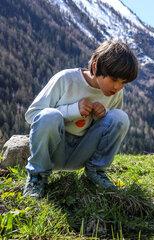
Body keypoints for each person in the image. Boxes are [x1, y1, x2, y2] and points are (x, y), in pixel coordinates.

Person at [23, 39, 139, 198]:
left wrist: (102, 116)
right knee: (49, 116)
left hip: (82, 153)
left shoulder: (116, 93)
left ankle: (96, 172)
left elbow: (112, 128)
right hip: (54, 152)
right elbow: (32, 115)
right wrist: (72, 110)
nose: (117, 87)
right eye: (114, 79)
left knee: (120, 117)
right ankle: (37, 176)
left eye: (123, 82)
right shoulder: (66, 79)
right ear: (96, 65)